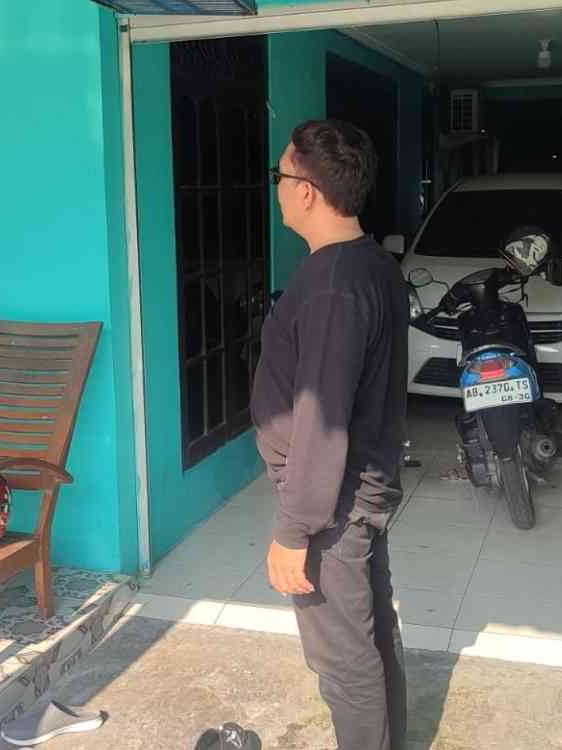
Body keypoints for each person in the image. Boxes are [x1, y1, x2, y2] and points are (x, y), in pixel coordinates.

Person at [250, 119, 408, 750]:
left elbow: (322, 418)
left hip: (333, 508)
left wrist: (294, 532)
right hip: (357, 491)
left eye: (279, 175)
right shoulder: (373, 265)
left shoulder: (333, 286)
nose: (277, 189)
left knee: (343, 662)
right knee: (370, 636)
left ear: (307, 190)